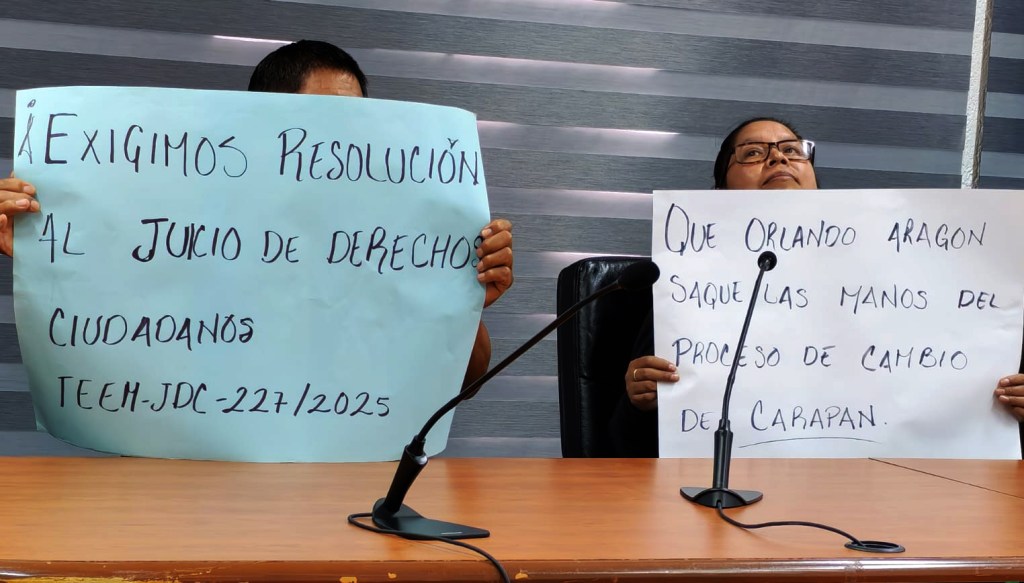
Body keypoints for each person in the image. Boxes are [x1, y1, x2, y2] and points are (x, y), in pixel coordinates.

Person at [0, 39, 514, 388]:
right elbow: (110, 344)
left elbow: (467, 379)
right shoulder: (183, 228)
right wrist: (42, 258)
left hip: (350, 477)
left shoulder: (394, 239)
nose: (345, 141)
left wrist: (458, 303)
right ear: (262, 123)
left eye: (360, 120)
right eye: (326, 120)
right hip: (202, 477)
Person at [611, 116, 1022, 456]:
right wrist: (639, 401)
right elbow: (620, 447)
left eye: (792, 150)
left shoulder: (919, 266)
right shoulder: (684, 281)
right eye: (753, 153)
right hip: (731, 488)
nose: (777, 157)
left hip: (900, 484)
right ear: (720, 190)